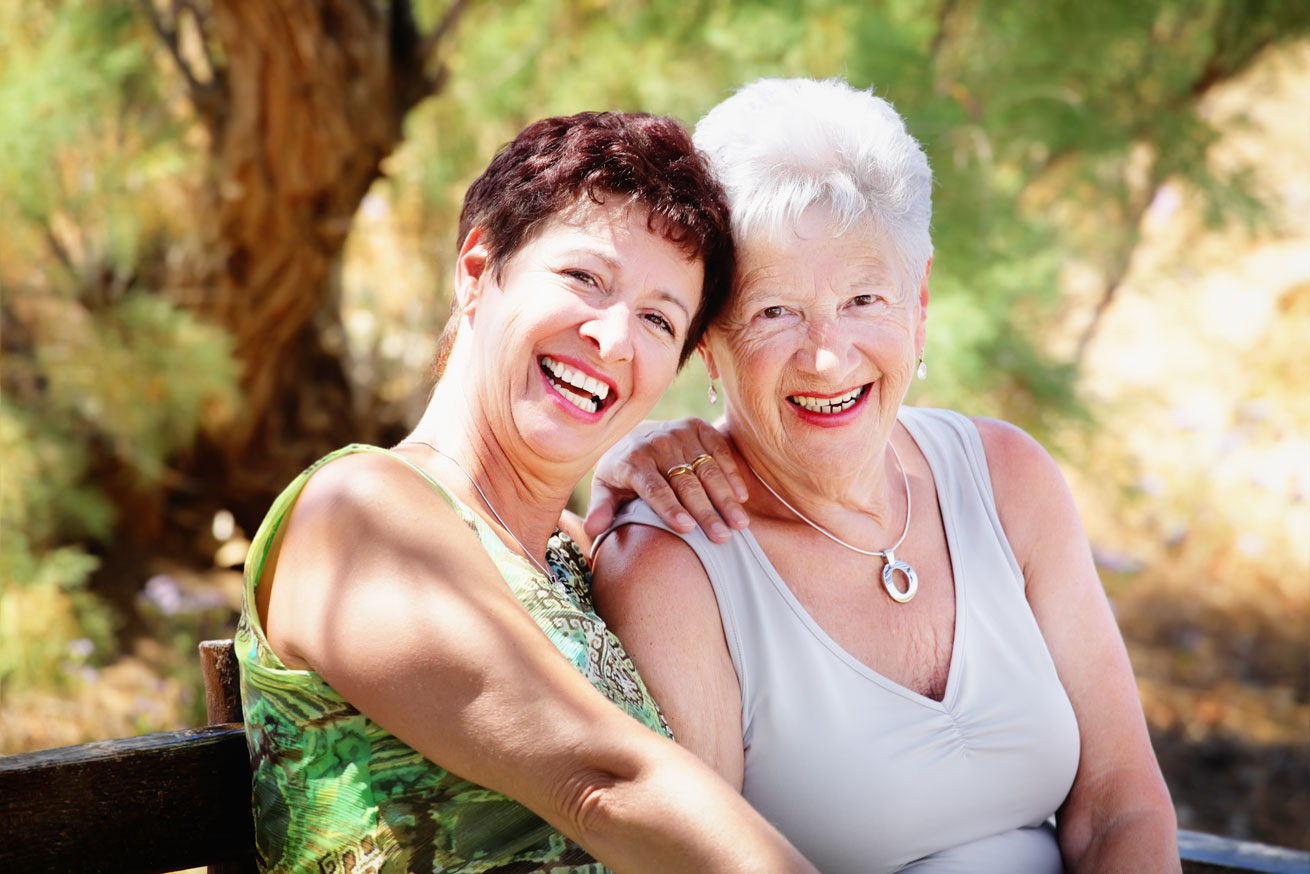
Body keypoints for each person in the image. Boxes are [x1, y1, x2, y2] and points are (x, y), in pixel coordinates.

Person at [586, 78, 1179, 874]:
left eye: (865, 298)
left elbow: (1120, 809)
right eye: (774, 312)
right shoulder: (673, 566)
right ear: (706, 339)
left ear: (921, 300)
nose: (827, 357)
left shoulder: (1009, 479)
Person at [234, 111, 820, 874]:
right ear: (478, 272)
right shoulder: (360, 510)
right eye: (584, 279)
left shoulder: (585, 557)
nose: (612, 339)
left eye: (656, 318)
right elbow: (602, 785)